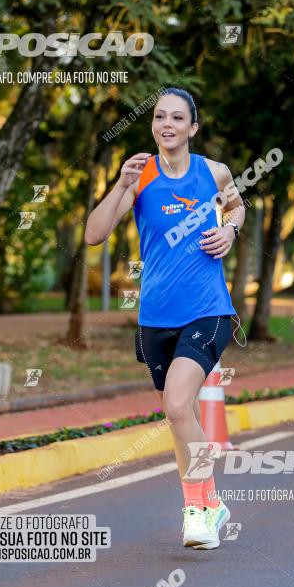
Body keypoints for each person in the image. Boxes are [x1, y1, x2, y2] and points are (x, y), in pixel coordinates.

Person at [84, 87, 246, 549]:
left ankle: (197, 507)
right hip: (155, 316)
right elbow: (95, 235)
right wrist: (119, 186)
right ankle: (210, 504)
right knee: (182, 415)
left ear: (193, 127)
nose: (167, 125)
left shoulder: (214, 172)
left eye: (178, 118)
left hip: (209, 309)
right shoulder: (139, 175)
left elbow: (237, 204)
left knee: (176, 405)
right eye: (160, 117)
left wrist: (230, 230)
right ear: (153, 125)